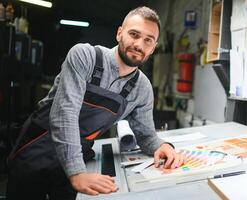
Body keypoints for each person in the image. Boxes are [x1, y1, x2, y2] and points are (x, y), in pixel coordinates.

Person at [6, 6, 185, 200]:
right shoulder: (85, 56)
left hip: (79, 158)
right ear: (119, 33)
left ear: (153, 47)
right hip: (37, 151)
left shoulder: (142, 88)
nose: (139, 44)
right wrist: (76, 173)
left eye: (148, 40)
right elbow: (64, 114)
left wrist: (162, 146)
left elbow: (146, 136)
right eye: (134, 34)